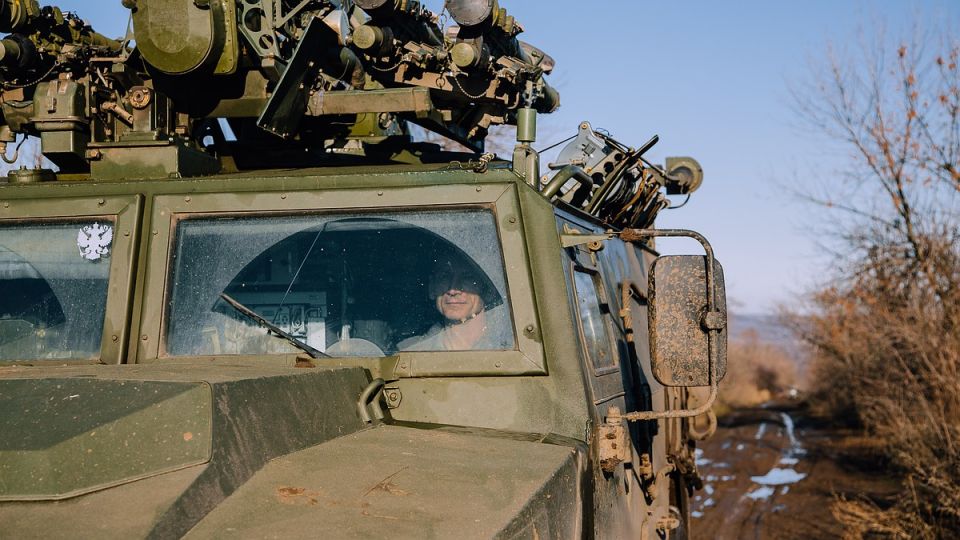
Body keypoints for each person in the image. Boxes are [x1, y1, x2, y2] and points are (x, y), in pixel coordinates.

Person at [398, 254, 509, 351]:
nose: (453, 289)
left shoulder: (508, 347)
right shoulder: (410, 351)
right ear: (432, 287)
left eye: (468, 277)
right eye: (445, 276)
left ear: (488, 289)